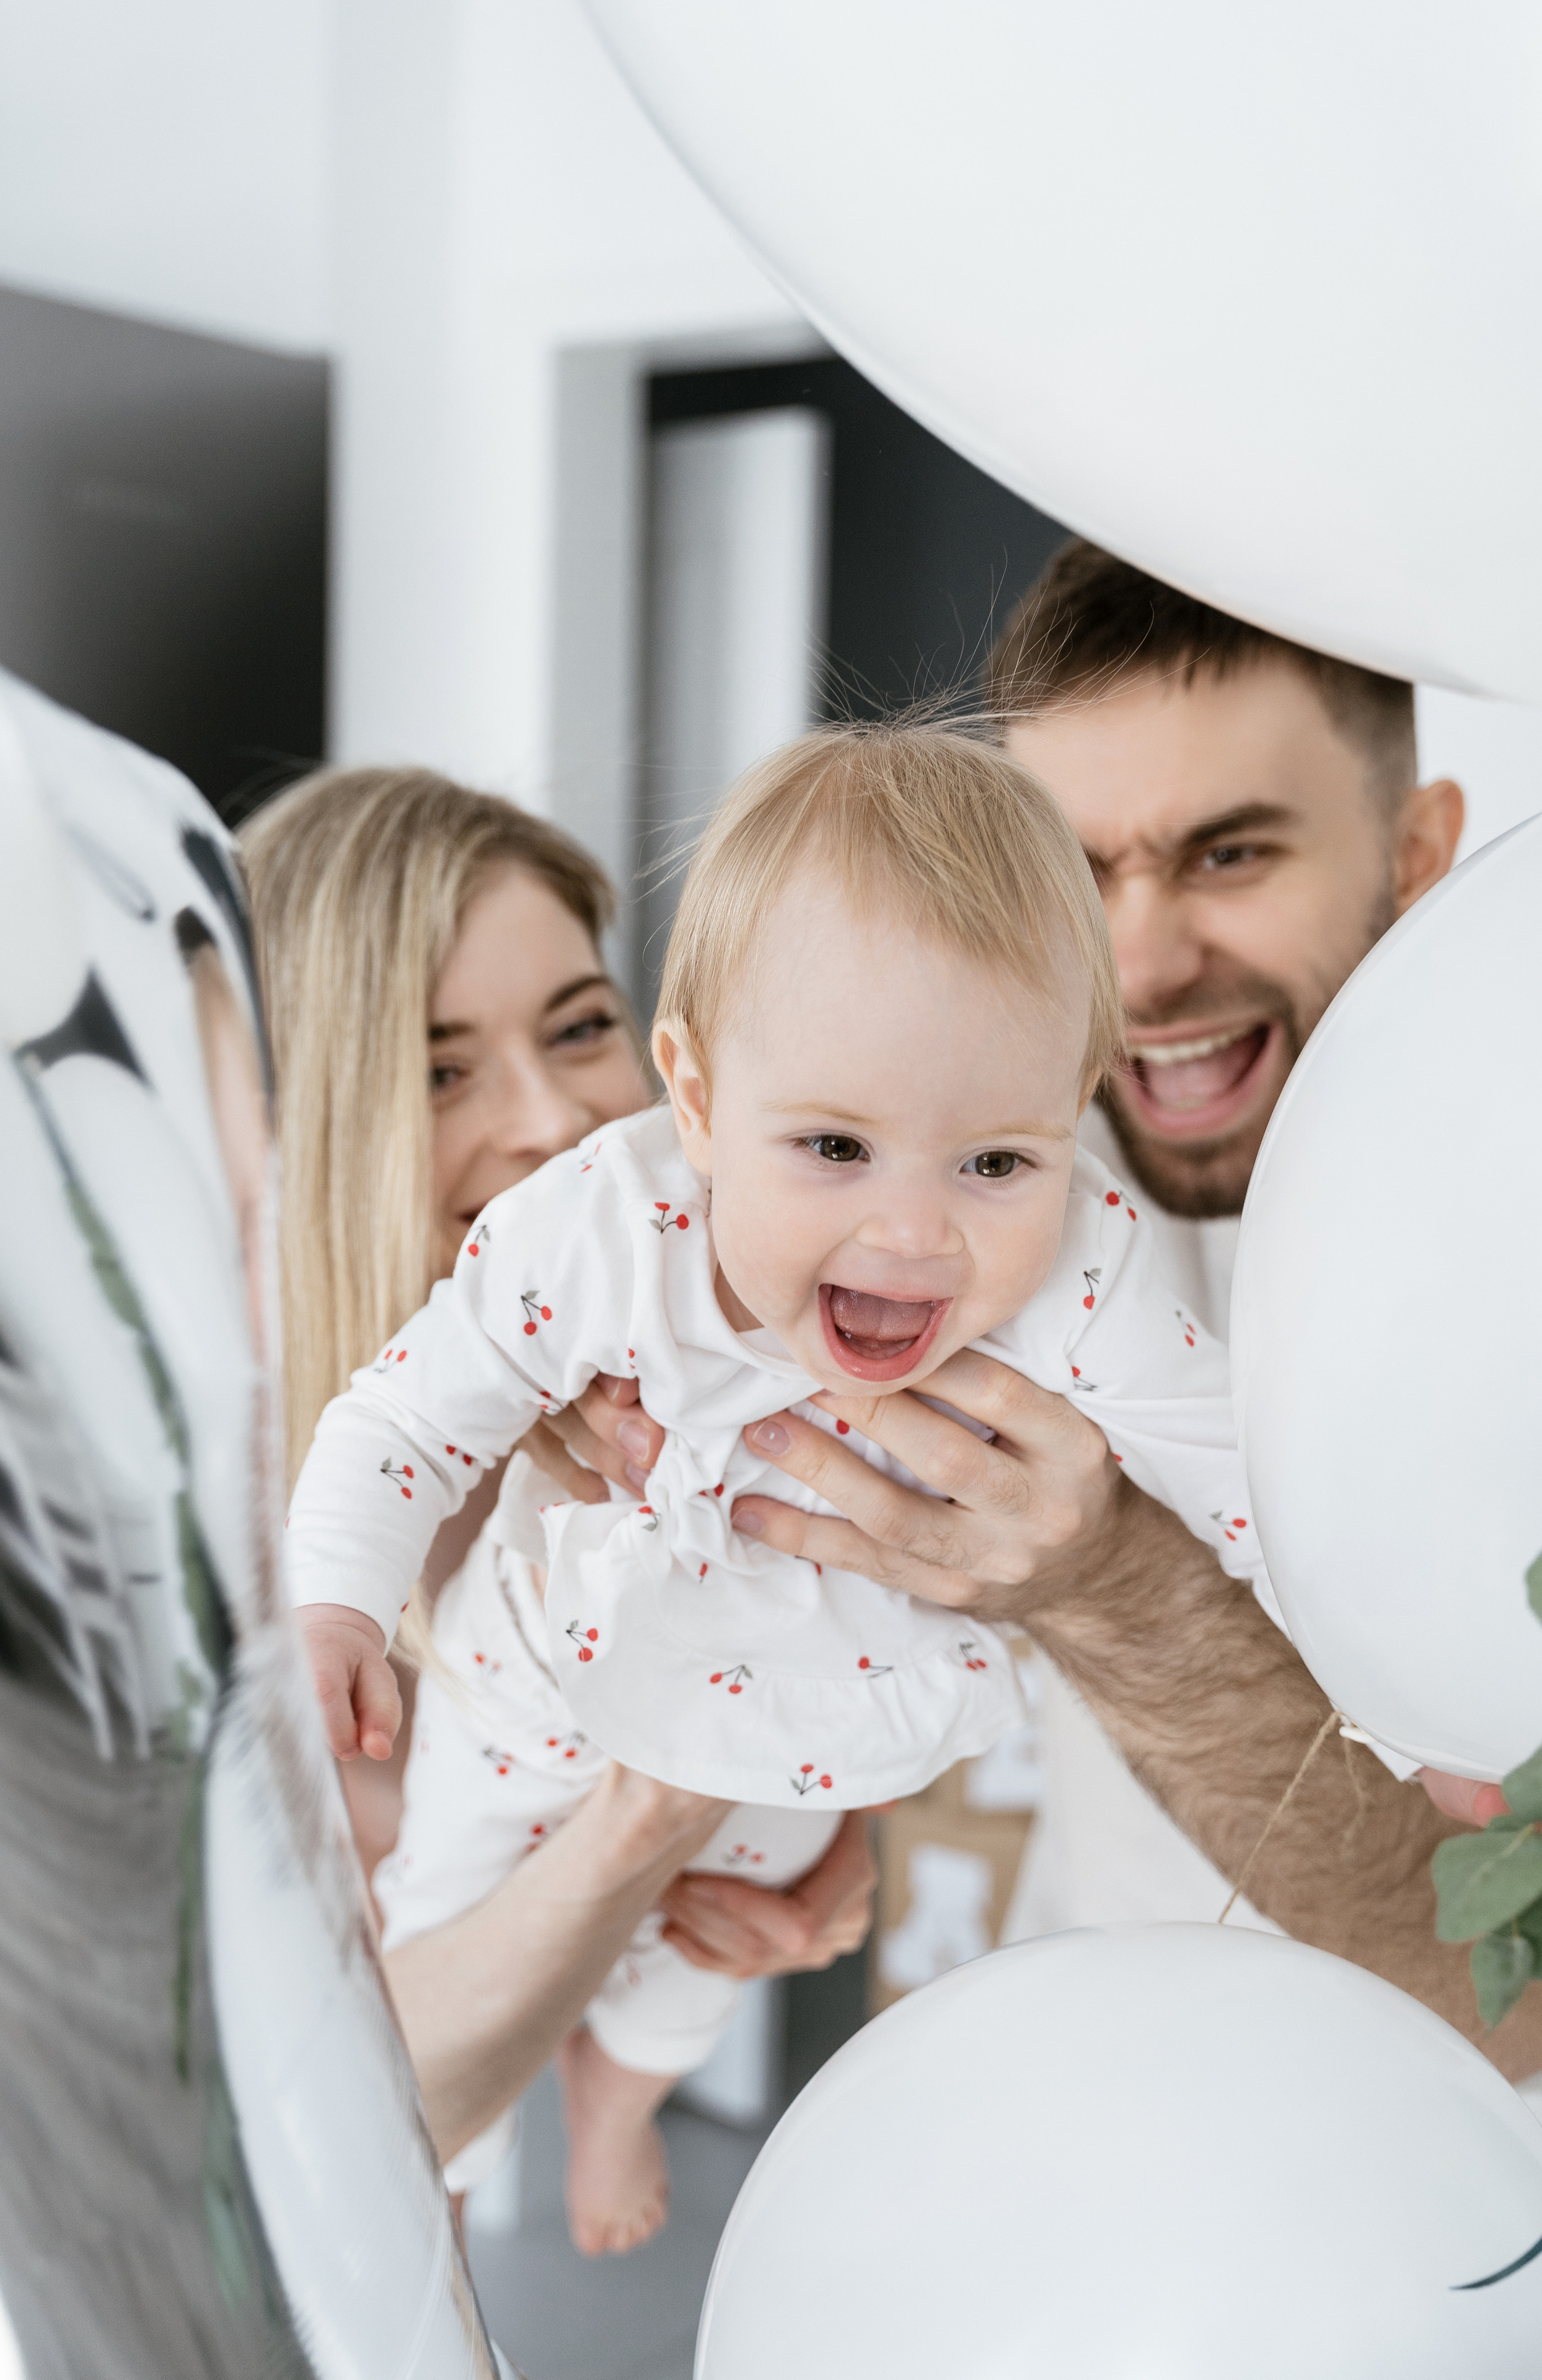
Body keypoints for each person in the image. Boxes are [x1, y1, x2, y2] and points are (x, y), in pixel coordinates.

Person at [288, 722, 1287, 2248]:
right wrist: (340, 1602)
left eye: (574, 1027)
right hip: (532, 1692)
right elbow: (399, 1431)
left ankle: (618, 2104)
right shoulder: (590, 1243)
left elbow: (1232, 1470)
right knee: (453, 1961)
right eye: (438, 1066)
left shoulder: (1063, 1270)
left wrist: (1367, 1686)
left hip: (788, 1696)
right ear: (696, 1092)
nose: (915, 1233)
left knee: (744, 1908)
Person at [560, 547, 1542, 2078]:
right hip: (1111, 2163)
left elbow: (1508, 1996)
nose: (1135, 965)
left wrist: (1109, 1586)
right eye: (1070, 875)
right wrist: (812, 1837)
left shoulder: (1508, 1279)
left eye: (1227, 855)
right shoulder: (1004, 1204)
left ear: (1417, 854)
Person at [236, 767, 874, 2232]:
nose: (552, 1121)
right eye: (439, 1068)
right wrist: (658, 1810)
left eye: (581, 1028)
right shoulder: (228, 1579)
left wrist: (804, 1859)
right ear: (308, 1128)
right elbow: (331, 2132)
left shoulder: (653, 1408)